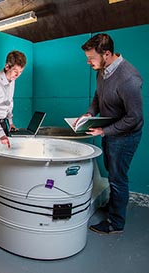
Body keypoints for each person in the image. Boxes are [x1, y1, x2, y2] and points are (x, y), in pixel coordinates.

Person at [78, 33, 143, 234]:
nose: (88, 62)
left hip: (125, 136)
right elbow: (99, 95)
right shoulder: (102, 69)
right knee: (112, 172)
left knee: (117, 178)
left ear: (106, 54)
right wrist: (90, 113)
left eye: (91, 58)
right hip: (110, 132)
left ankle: (115, 223)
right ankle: (114, 206)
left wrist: (104, 131)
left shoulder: (128, 78)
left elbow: (135, 118)